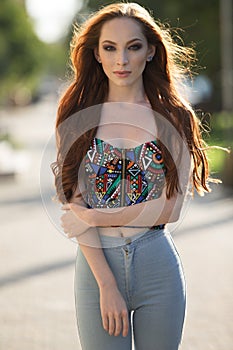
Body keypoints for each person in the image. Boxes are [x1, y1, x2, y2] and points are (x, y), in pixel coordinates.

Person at [51, 2, 216, 349]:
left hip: (158, 265)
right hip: (97, 267)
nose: (121, 60)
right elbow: (74, 204)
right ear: (96, 54)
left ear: (151, 51)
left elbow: (170, 209)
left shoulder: (174, 116)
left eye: (133, 47)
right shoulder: (79, 115)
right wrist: (107, 285)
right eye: (110, 48)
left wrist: (96, 216)